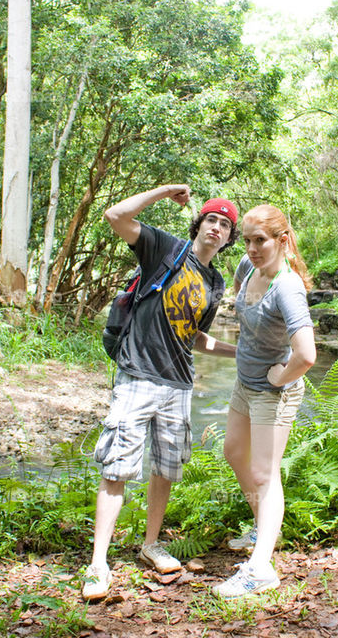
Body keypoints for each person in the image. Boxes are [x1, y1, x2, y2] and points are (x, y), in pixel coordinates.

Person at [82, 184, 238, 601]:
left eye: (225, 225)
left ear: (228, 237)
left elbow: (195, 337)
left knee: (166, 469)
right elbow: (115, 215)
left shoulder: (216, 282)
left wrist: (238, 353)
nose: (217, 227)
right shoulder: (165, 248)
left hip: (179, 384)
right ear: (199, 224)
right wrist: (166, 191)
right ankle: (99, 563)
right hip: (137, 375)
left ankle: (151, 544)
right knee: (117, 468)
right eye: (211, 219)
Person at [214, 204, 316, 598]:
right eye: (248, 240)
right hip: (244, 383)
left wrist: (280, 374)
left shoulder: (287, 288)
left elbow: (306, 355)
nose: (253, 249)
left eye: (261, 241)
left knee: (263, 473)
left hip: (274, 392)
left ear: (282, 240)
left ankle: (260, 568)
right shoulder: (246, 267)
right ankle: (263, 525)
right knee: (234, 451)